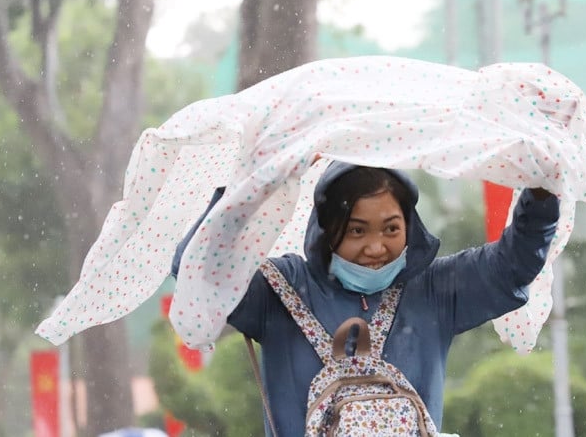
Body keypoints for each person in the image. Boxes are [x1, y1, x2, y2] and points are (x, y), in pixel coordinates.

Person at [226, 161, 560, 436]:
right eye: (357, 230)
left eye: (391, 229)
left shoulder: (432, 290)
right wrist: (246, 185)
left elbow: (513, 264)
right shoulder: (280, 290)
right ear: (327, 229)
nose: (376, 248)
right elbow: (201, 273)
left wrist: (541, 192)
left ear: (409, 227)